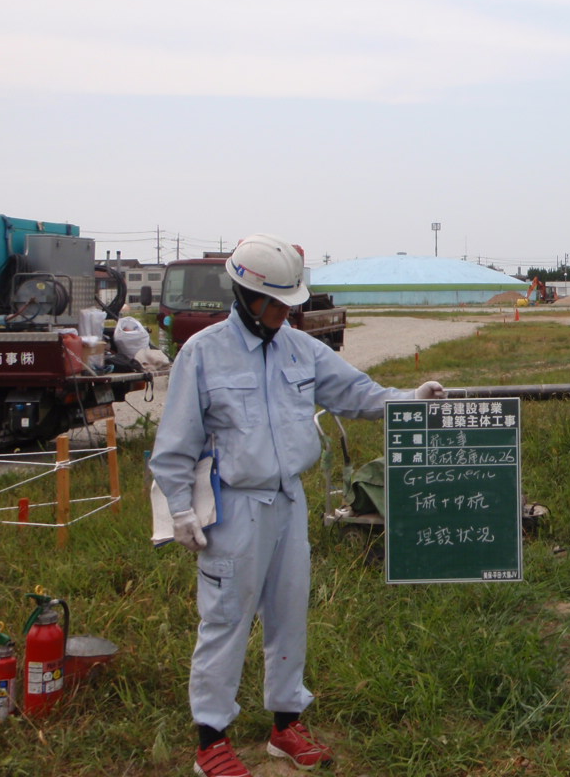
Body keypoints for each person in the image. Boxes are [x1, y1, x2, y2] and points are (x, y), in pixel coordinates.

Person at [150, 233, 444, 777]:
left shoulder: (300, 348)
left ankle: (286, 726)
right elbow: (174, 443)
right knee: (225, 619)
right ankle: (211, 741)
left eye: (290, 303)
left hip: (289, 501)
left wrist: (409, 400)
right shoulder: (204, 353)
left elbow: (357, 393)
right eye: (277, 304)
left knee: (290, 615)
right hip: (234, 508)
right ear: (246, 296)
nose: (285, 312)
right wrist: (181, 510)